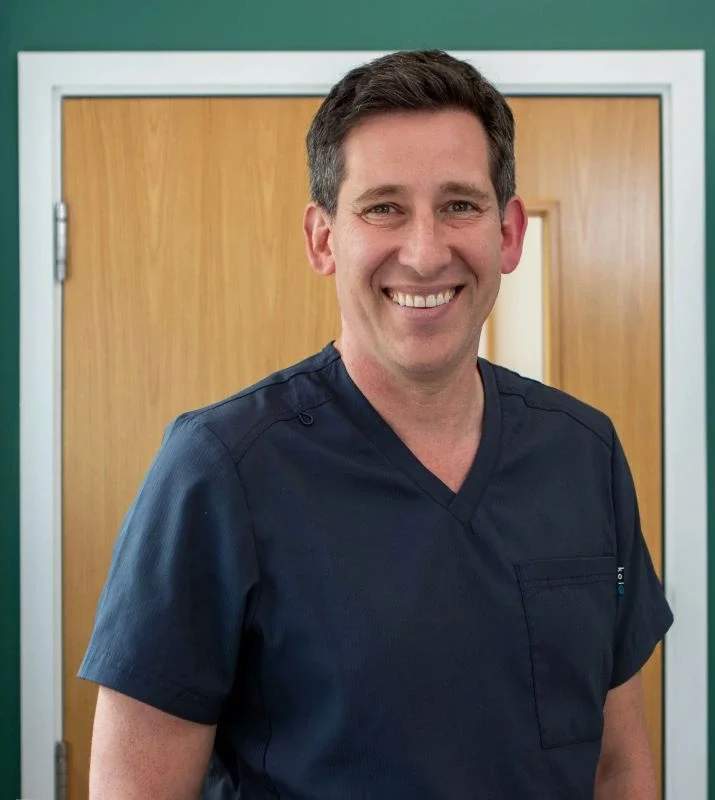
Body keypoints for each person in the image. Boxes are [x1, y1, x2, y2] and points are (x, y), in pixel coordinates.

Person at [79, 49, 674, 799]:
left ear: (508, 233)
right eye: (383, 207)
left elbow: (619, 765)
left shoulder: (583, 454)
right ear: (324, 239)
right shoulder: (221, 469)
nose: (425, 252)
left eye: (459, 204)